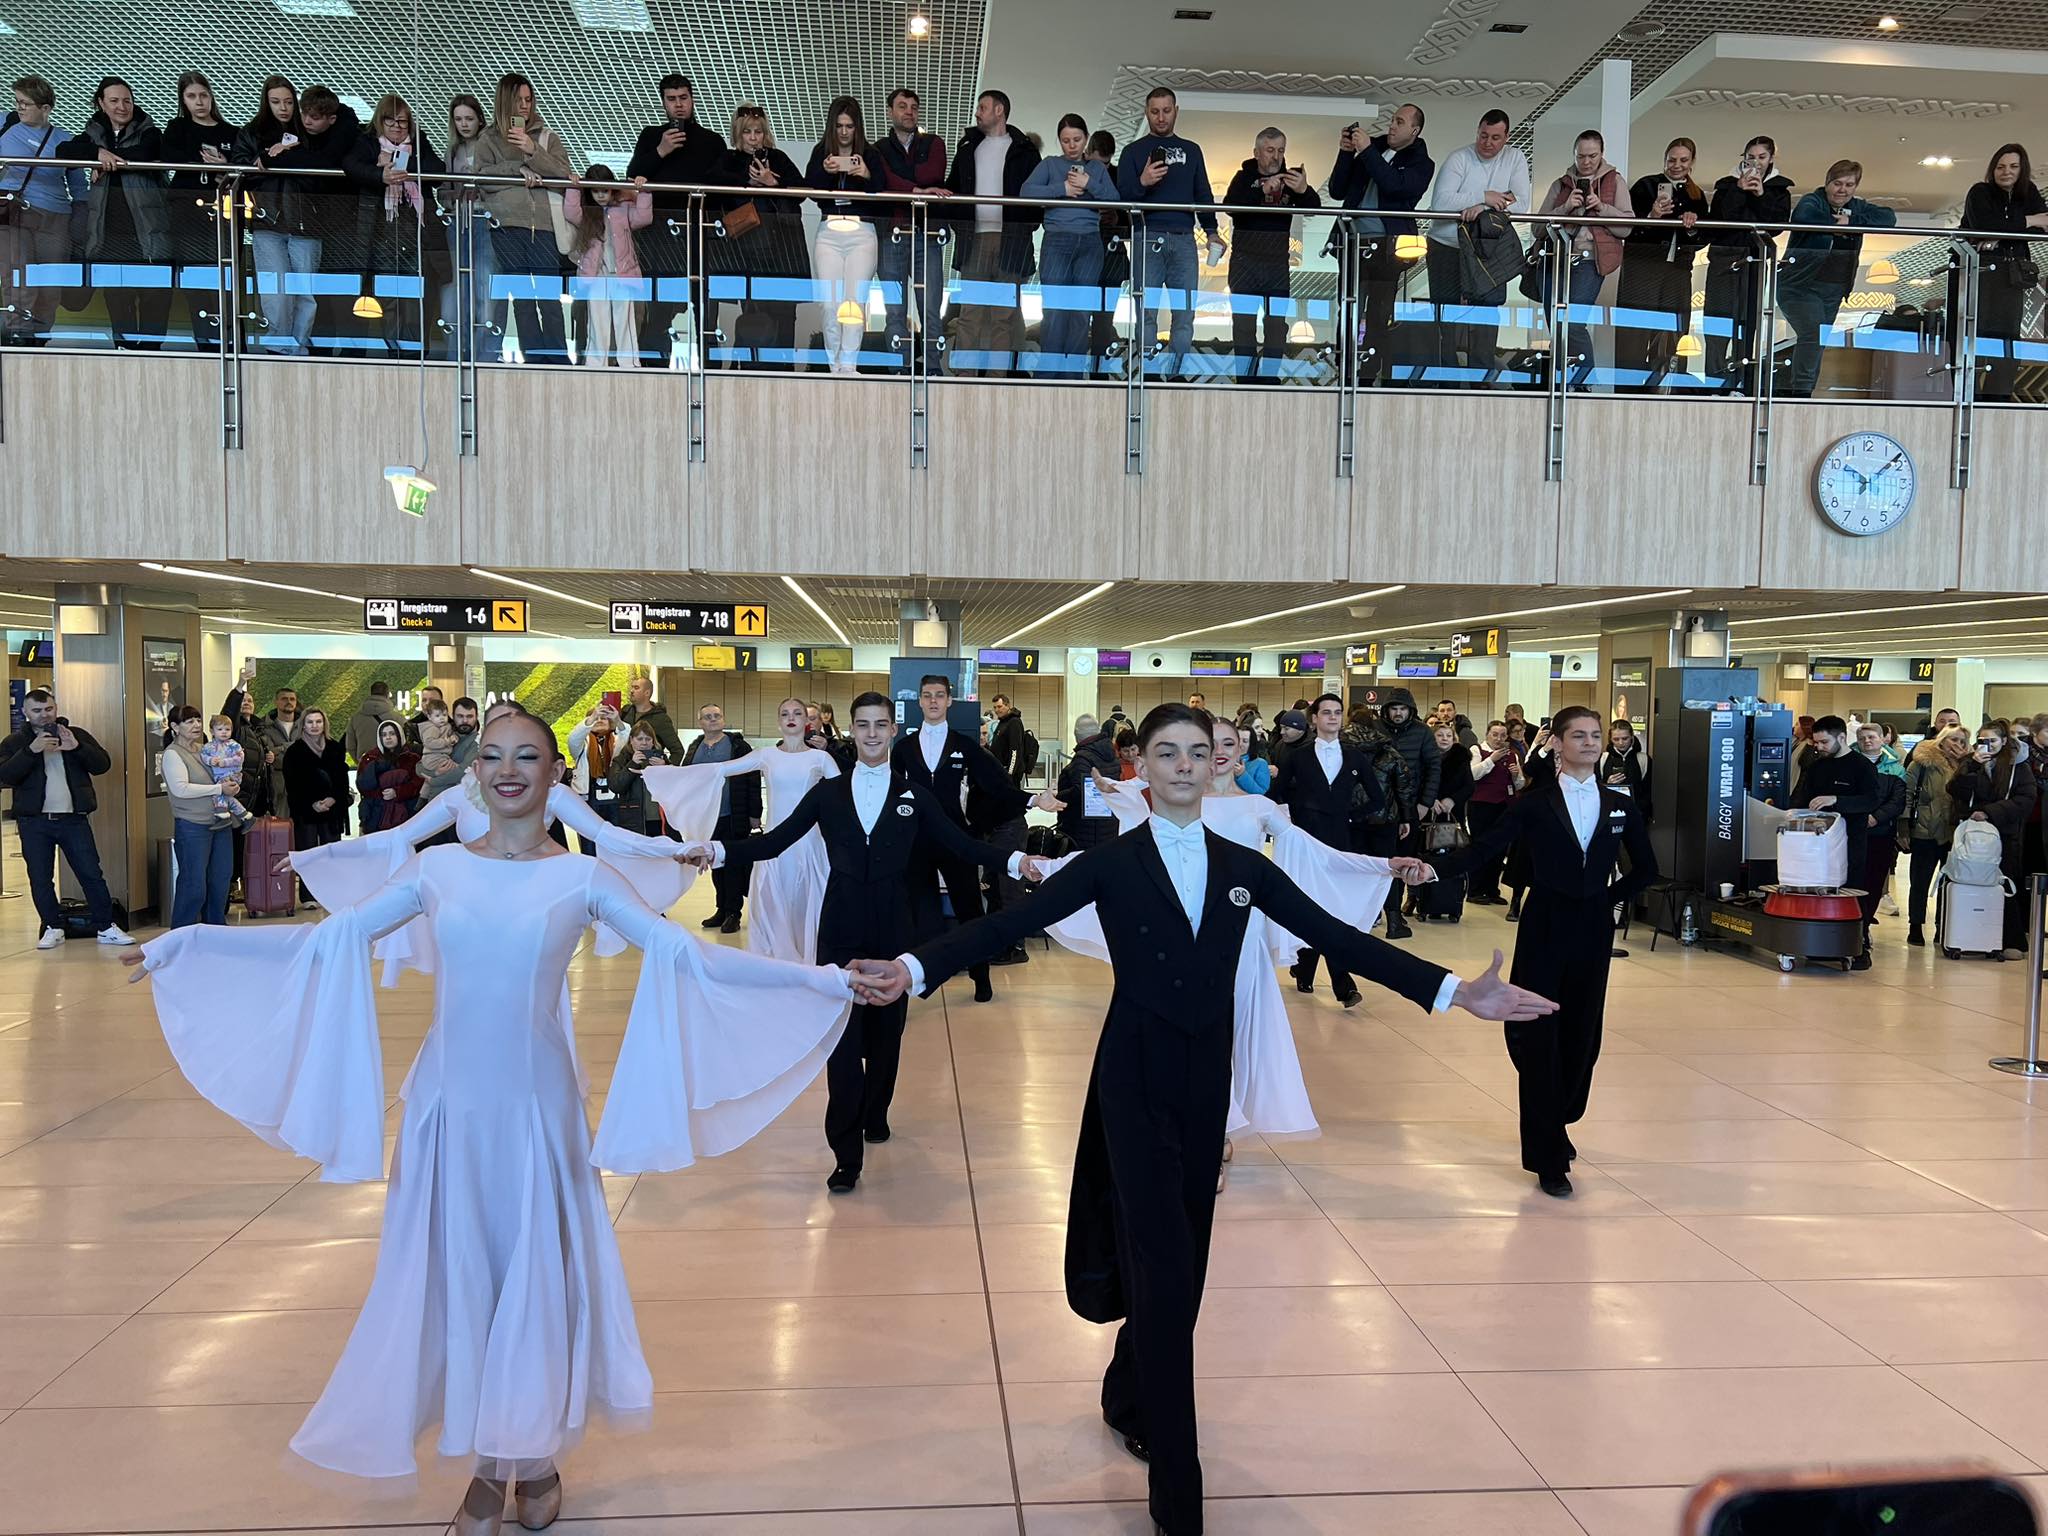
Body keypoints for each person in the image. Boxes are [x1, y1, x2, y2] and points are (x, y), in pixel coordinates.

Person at [125, 708, 855, 1534]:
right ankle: (485, 1457)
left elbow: (686, 956)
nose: (509, 770)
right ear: (474, 773)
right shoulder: (437, 871)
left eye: (528, 757)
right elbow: (329, 942)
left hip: (538, 1110)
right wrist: (188, 946)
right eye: (495, 757)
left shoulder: (581, 879)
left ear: (554, 774)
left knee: (533, 1276)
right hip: (447, 1110)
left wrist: (822, 983)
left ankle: (530, 1454)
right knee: (458, 1279)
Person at [849, 703, 1554, 1536]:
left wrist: (1453, 991)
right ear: (1142, 768)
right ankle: (1177, 1493)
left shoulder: (1241, 866)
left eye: (1196, 752)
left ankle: (1127, 1389)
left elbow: (1335, 936)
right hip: (1132, 1080)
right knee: (1163, 1264)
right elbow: (1009, 922)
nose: (1184, 764)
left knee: (1182, 1262)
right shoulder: (1109, 864)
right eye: (1166, 753)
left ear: (1216, 764)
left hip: (1204, 1081)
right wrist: (913, 966)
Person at [688, 692, 1030, 1192]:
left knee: (887, 1035)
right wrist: (715, 851)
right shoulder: (828, 793)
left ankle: (876, 1113)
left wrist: (1017, 862)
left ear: (893, 730)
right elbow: (774, 841)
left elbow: (962, 845)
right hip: (840, 929)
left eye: (880, 725)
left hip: (894, 928)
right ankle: (845, 1154)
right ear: (853, 730)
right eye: (863, 725)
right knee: (843, 1043)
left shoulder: (915, 796)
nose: (872, 734)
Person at [1409, 705, 1656, 1196]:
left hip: (1593, 931)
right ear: (1557, 744)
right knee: (1539, 1028)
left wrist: (1604, 900)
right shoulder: (1533, 803)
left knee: (1582, 1032)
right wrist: (1433, 869)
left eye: (1595, 735)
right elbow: (1484, 849)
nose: (1590, 743)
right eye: (1578, 735)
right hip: (1544, 925)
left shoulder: (1619, 805)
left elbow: (1646, 868)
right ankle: (1546, 1154)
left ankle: (1559, 1119)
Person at [890, 674, 1058, 999]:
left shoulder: (964, 745)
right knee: (921, 912)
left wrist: (1034, 800)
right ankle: (924, 977)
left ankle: (981, 977)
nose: (934, 701)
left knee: (970, 910)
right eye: (928, 695)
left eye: (940, 695)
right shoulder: (904, 749)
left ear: (949, 700)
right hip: (917, 843)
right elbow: (892, 793)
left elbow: (997, 785)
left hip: (957, 840)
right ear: (920, 701)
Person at [649, 697, 839, 962]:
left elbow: (843, 796)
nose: (791, 718)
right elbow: (718, 770)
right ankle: (779, 963)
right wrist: (668, 773)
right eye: (785, 713)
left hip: (810, 844)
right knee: (774, 905)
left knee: (808, 904)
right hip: (773, 845)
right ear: (779, 721)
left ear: (807, 720)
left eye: (797, 713)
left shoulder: (821, 758)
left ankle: (810, 960)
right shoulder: (766, 756)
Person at [0, 689, 133, 949]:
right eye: (37, 711)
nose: (44, 715)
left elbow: (102, 764)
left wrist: (77, 748)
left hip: (73, 819)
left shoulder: (75, 734)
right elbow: (5, 775)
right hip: (34, 822)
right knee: (40, 877)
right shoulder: (14, 742)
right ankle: (53, 926)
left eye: (48, 709)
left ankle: (106, 926)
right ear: (25, 713)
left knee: (91, 873)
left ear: (56, 708)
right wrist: (31, 751)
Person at [1271, 692, 1381, 1003]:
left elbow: (1377, 797)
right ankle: (1326, 977)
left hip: (1340, 846)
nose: (1332, 717)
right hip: (1306, 844)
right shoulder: (1299, 756)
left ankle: (1321, 975)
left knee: (1334, 909)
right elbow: (1277, 793)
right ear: (1314, 719)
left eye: (1337, 712)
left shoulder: (1355, 757)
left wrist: (1350, 818)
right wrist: (1292, 820)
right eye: (1326, 712)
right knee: (1311, 906)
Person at [1117, 87, 1223, 380]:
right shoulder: (1132, 152)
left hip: (1184, 237)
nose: (1161, 117)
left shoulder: (1192, 150)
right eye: (1155, 112)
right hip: (1147, 235)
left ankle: (1177, 374)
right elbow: (1122, 199)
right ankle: (1148, 374)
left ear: (1176, 111)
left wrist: (1211, 230)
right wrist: (1143, 181)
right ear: (1146, 113)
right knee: (1146, 310)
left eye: (1166, 111)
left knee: (1185, 312)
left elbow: (1203, 193)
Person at [63, 76, 171, 350]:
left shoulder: (150, 131)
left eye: (127, 101)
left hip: (147, 230)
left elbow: (146, 152)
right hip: (109, 232)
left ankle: (152, 352)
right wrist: (96, 153)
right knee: (118, 296)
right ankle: (124, 351)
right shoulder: (93, 134)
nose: (122, 107)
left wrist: (106, 159)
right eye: (114, 101)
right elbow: (63, 150)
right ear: (101, 103)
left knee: (155, 296)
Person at [625, 73, 726, 365]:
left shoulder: (712, 141)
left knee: (705, 306)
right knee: (660, 307)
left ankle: (710, 368)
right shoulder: (651, 136)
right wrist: (661, 151)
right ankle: (654, 367)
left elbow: (721, 187)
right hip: (660, 236)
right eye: (671, 99)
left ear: (692, 100)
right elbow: (633, 175)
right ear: (663, 103)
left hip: (701, 234)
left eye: (683, 98)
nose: (678, 105)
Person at [1327, 103, 1432, 384]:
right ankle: (1344, 367)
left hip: (1388, 248)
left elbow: (1395, 186)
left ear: (1415, 130)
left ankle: (1368, 373)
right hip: (1352, 242)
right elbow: (1337, 190)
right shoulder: (1372, 148)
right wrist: (1346, 153)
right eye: (1392, 120)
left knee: (1379, 312)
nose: (1392, 126)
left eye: (1400, 122)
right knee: (1348, 307)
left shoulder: (1422, 162)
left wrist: (1367, 152)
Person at [473, 73, 573, 366]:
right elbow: (480, 177)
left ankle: (558, 358)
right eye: (519, 100)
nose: (525, 106)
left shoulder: (546, 136)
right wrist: (516, 169)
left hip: (543, 226)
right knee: (523, 299)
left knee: (549, 298)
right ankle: (533, 357)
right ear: (506, 102)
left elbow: (564, 175)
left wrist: (532, 150)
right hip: (506, 226)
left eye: (529, 100)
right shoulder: (488, 139)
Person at [1778, 159, 1897, 398]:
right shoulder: (1813, 201)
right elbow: (1804, 217)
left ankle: (1803, 392)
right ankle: (1799, 395)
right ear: (1827, 183)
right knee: (1813, 334)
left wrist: (1852, 222)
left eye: (1849, 185)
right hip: (1799, 286)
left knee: (1818, 340)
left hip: (1834, 290)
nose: (1842, 190)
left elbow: (1888, 217)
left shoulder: (1857, 207)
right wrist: (1835, 224)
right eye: (1837, 183)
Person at [1425, 109, 1530, 379]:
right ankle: (1445, 378)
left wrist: (1482, 206)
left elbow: (1521, 203)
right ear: (1478, 132)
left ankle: (1481, 379)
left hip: (1488, 247)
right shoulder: (1459, 158)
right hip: (1446, 244)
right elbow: (1441, 202)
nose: (1488, 143)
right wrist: (1485, 195)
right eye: (1483, 135)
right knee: (1445, 310)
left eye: (1495, 137)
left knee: (1487, 310)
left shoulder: (1515, 158)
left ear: (1506, 137)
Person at [944, 87, 1041, 376]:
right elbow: (953, 188)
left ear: (999, 111)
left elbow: (1036, 196)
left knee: (1003, 315)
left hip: (1012, 240)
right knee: (970, 312)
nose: (977, 113)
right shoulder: (968, 147)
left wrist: (1026, 228)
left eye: (982, 107)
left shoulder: (1025, 150)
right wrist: (959, 225)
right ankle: (965, 375)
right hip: (974, 238)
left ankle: (998, 378)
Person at [343, 93, 445, 358]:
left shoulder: (418, 142)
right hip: (381, 232)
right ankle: (395, 352)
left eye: (402, 122)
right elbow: (351, 166)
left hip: (417, 234)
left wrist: (402, 160)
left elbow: (438, 171)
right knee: (388, 298)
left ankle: (413, 354)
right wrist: (381, 175)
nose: (397, 127)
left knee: (416, 299)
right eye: (391, 121)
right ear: (380, 121)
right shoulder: (367, 142)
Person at [1221, 128, 1320, 383]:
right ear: (1256, 153)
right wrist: (1262, 190)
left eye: (1280, 150)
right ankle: (1245, 379)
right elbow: (1230, 207)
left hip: (1277, 263)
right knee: (1243, 323)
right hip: (1244, 262)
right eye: (1270, 150)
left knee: (1277, 324)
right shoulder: (1243, 177)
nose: (1276, 156)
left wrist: (1304, 190)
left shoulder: (1291, 179)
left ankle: (1269, 379)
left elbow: (1315, 210)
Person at [1021, 113, 1116, 375]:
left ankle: (1072, 375)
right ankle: (1048, 375)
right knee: (1054, 310)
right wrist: (1062, 188)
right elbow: (1026, 191)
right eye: (1065, 141)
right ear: (1059, 141)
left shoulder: (1096, 168)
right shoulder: (1050, 164)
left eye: (1077, 139)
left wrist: (1089, 183)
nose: (1072, 145)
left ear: (1086, 138)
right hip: (1056, 240)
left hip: (1090, 243)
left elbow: (1115, 200)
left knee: (1081, 312)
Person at [1532, 129, 1628, 386]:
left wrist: (1601, 207)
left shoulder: (1615, 181)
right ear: (1574, 155)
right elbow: (1537, 228)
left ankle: (1584, 382)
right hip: (1555, 258)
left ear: (1602, 154)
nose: (1586, 162)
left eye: (1592, 156)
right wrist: (1566, 208)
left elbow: (1626, 228)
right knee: (1557, 325)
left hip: (1590, 260)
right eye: (1580, 156)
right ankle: (1564, 383)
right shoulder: (1561, 184)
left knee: (1572, 323)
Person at [716, 104, 807, 369]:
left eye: (758, 132)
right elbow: (712, 183)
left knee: (785, 313)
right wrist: (746, 182)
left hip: (784, 248)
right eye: (747, 132)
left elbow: (803, 190)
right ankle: (750, 368)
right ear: (738, 134)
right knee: (753, 312)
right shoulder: (730, 160)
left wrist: (772, 183)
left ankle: (784, 370)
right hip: (747, 249)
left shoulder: (777, 158)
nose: (753, 137)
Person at [1789, 715, 1884, 968]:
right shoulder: (1817, 766)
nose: (1819, 747)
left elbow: (1871, 800)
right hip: (1818, 845)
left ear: (1841, 737)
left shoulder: (1862, 767)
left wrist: (1837, 800)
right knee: (1819, 890)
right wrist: (1791, 813)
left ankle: (1857, 945)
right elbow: (1801, 796)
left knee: (1851, 891)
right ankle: (1820, 943)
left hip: (1851, 842)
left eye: (1824, 742)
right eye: (1816, 742)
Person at [1, 76, 89, 349]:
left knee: (51, 283)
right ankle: (18, 333)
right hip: (13, 212)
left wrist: (81, 219)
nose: (19, 108)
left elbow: (79, 185)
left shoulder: (64, 140)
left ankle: (39, 335)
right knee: (17, 276)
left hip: (55, 216)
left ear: (45, 108)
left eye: (25, 103)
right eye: (17, 102)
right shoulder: (5, 128)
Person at [1616, 137, 1708, 391]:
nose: (1677, 165)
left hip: (1678, 271)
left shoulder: (1697, 195)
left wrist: (1691, 227)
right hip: (1642, 270)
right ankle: (1627, 392)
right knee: (1634, 335)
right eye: (1672, 160)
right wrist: (1652, 216)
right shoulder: (1646, 186)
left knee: (1674, 334)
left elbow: (1703, 239)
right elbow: (1628, 230)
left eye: (1683, 160)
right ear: (1664, 160)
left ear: (1692, 162)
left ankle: (1668, 389)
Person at [1702, 134, 1793, 392]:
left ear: (1771, 159)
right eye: (1750, 157)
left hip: (1754, 265)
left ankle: (1741, 385)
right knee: (1716, 325)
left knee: (1747, 325)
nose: (1756, 162)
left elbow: (1775, 227)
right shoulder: (1726, 186)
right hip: (1723, 263)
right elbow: (1720, 220)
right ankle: (1714, 385)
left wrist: (1761, 194)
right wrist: (1739, 190)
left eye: (1762, 157)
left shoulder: (1780, 190)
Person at [158, 71, 239, 351]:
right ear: (183, 100)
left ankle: (230, 339)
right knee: (195, 276)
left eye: (203, 95)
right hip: (187, 212)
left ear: (211, 96)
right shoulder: (178, 127)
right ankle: (205, 340)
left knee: (224, 276)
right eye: (192, 96)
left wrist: (226, 165)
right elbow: (168, 156)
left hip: (223, 212)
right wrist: (202, 161)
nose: (199, 102)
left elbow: (243, 166)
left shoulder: (231, 132)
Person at [1962, 144, 2048, 403]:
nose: (2006, 172)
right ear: (1993, 169)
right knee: (1978, 333)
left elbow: (2044, 226)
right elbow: (1985, 226)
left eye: (2013, 166)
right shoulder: (1980, 192)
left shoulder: (2028, 192)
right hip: (1980, 273)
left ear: (2022, 169)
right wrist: (2029, 220)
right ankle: (1970, 396)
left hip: (2013, 276)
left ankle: (1998, 399)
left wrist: (2002, 233)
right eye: (2000, 167)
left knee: (2008, 337)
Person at [871, 87, 948, 369]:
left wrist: (900, 183)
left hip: (927, 233)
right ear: (890, 112)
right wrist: (917, 188)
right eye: (902, 106)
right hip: (891, 233)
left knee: (931, 308)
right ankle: (899, 370)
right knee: (894, 310)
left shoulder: (934, 142)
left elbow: (933, 174)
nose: (909, 112)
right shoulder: (877, 148)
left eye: (914, 107)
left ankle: (932, 369)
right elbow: (883, 181)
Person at [1949, 719, 2039, 958]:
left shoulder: (2018, 765)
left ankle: (2012, 940)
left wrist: (1990, 812)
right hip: (1973, 834)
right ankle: (1968, 936)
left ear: (2004, 741)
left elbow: (2026, 798)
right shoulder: (1971, 762)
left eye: (1992, 741)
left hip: (2004, 834)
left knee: (2004, 885)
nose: (1987, 745)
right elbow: (1954, 790)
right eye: (1982, 740)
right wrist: (1972, 767)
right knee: (1970, 881)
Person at [805, 95, 879, 374]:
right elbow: (811, 190)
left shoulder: (870, 153)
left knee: (854, 303)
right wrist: (826, 172)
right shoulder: (821, 151)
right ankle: (833, 365)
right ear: (831, 127)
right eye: (839, 126)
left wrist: (866, 174)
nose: (844, 132)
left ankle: (849, 364)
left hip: (862, 230)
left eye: (849, 126)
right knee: (829, 303)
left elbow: (882, 190)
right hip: (829, 230)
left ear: (857, 127)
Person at [561, 164, 652, 367]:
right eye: (595, 191)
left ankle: (629, 362)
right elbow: (571, 212)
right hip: (597, 274)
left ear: (612, 189)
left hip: (622, 273)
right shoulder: (587, 213)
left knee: (624, 319)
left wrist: (644, 191)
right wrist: (574, 187)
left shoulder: (624, 207)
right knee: (597, 319)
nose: (601, 195)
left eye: (605, 190)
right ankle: (595, 362)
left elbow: (643, 217)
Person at [158, 706, 239, 928]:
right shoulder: (173, 754)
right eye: (189, 721)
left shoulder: (205, 750)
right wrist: (219, 789)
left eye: (198, 720)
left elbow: (222, 774)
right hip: (192, 825)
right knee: (194, 885)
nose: (196, 725)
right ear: (175, 727)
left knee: (220, 880)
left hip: (220, 821)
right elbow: (180, 789)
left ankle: (216, 930)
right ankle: (181, 933)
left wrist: (232, 782)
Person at [680, 702, 758, 930]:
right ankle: (721, 909)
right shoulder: (694, 748)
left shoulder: (738, 746)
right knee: (715, 864)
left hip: (733, 815)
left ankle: (733, 912)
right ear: (700, 722)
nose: (713, 719)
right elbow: (685, 778)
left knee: (732, 864)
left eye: (717, 715)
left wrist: (755, 813)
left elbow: (753, 779)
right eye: (708, 716)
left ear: (723, 720)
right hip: (707, 819)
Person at [440, 93, 499, 363]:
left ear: (480, 119)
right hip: (458, 222)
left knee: (484, 288)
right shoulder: (452, 151)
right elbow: (444, 188)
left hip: (484, 221)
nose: (464, 124)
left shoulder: (491, 146)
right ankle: (458, 353)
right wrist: (450, 199)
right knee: (460, 288)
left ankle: (484, 354)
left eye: (469, 118)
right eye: (459, 119)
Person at [1899, 724, 1970, 947]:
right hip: (1925, 829)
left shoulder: (1968, 766)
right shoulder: (1922, 762)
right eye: (1953, 739)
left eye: (1962, 741)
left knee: (1949, 883)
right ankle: (1915, 925)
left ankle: (1943, 925)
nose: (1957, 745)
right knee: (1920, 882)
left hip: (1954, 832)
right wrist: (1903, 827)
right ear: (1942, 739)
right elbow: (1907, 794)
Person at [283, 708, 351, 884]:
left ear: (324, 724)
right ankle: (308, 894)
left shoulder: (335, 748)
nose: (314, 725)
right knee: (308, 857)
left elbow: (342, 780)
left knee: (332, 855)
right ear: (303, 725)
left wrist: (333, 799)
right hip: (305, 812)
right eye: (310, 722)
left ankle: (332, 890)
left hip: (332, 810)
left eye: (318, 721)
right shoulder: (294, 751)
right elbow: (292, 785)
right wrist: (312, 804)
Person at [1857, 721, 1909, 935]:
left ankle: (1865, 925)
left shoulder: (1896, 768)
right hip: (1853, 832)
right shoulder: (1850, 764)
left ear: (1882, 739)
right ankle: (1854, 924)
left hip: (1881, 833)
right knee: (1853, 880)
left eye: (1872, 737)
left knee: (1875, 880)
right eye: (1862, 738)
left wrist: (1876, 818)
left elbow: (1898, 801)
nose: (1867, 741)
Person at [1467, 719, 1524, 906]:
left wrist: (1516, 776)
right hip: (1481, 806)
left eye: (1502, 735)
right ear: (1487, 735)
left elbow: (1520, 784)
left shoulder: (1512, 755)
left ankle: (1492, 890)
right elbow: (1472, 774)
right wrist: (1491, 759)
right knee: (1480, 846)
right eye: (1495, 735)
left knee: (1499, 849)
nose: (1499, 739)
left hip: (1505, 806)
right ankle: (1475, 890)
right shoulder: (1477, 750)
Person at [1058, 713, 1123, 852]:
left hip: (1085, 828)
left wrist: (1059, 795)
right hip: (1109, 824)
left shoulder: (1083, 758)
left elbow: (1080, 791)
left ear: (1077, 734)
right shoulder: (1112, 755)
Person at [565, 703, 622, 846]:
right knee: (589, 845)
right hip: (588, 799)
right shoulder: (582, 743)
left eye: (604, 718)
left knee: (615, 844)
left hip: (615, 800)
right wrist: (591, 718)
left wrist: (618, 721)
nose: (599, 720)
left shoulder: (617, 741)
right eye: (596, 718)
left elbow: (627, 735)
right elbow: (573, 739)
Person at [353, 717, 423, 835]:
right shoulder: (370, 758)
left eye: (392, 733)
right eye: (384, 735)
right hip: (376, 815)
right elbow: (362, 786)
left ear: (399, 735)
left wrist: (398, 792)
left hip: (406, 814)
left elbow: (418, 783)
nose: (388, 737)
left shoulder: (412, 758)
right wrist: (381, 793)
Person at [196, 713, 256, 824]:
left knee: (218, 792)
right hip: (218, 776)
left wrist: (225, 762)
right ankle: (244, 815)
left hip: (232, 775)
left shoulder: (234, 745)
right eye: (220, 729)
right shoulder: (208, 746)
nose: (224, 732)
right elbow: (203, 756)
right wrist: (210, 760)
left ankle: (222, 815)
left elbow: (240, 758)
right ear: (212, 731)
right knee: (226, 798)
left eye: (227, 729)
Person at [618, 674, 685, 759]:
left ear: (647, 693)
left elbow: (677, 750)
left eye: (636, 688)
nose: (631, 691)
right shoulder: (625, 712)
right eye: (632, 687)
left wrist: (665, 765)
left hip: (648, 764)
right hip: (623, 764)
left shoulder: (661, 719)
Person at [1599, 718, 1652, 821]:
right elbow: (1594, 787)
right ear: (1610, 739)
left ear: (1632, 737)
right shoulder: (1602, 759)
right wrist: (1607, 784)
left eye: (1625, 738)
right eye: (1616, 739)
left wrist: (1641, 812)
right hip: (1609, 814)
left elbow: (1650, 790)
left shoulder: (1643, 759)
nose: (1621, 743)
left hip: (1637, 814)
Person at [344, 680, 404, 769]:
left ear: (371, 693)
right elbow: (405, 744)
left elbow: (350, 746)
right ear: (387, 695)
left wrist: (360, 762)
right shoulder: (398, 718)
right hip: (391, 767)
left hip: (366, 765)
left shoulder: (355, 719)